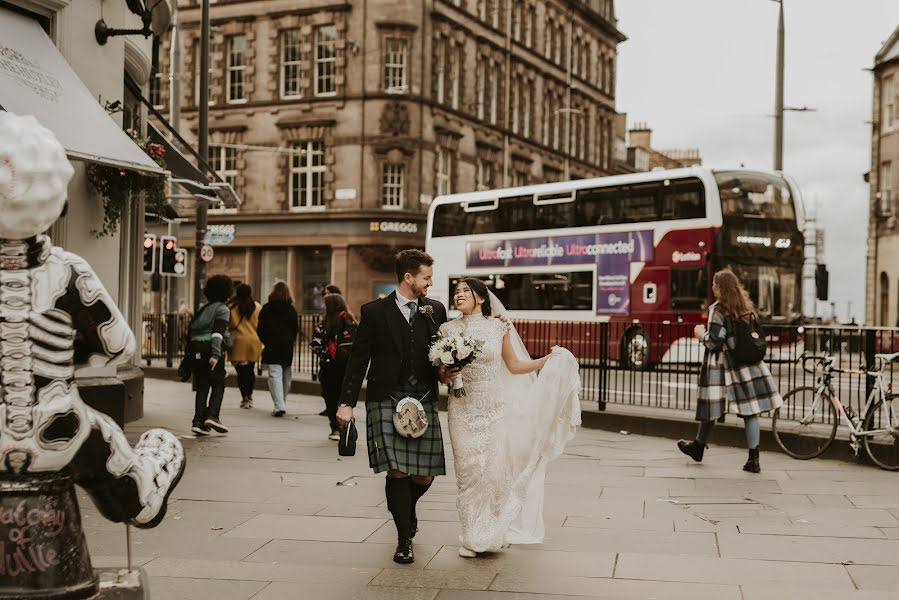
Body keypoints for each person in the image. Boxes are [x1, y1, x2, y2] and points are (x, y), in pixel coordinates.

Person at [440, 279, 581, 558]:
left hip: (495, 409)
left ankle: (492, 531)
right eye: (456, 292)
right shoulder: (447, 329)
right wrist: (445, 375)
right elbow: (442, 372)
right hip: (463, 409)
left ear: (481, 297)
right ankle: (471, 536)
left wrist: (545, 362)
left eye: (465, 291)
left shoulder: (498, 327)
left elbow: (514, 365)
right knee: (468, 474)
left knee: (494, 473)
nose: (459, 295)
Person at [336, 250, 449, 565]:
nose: (430, 283)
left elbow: (442, 353)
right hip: (385, 396)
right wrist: (345, 403)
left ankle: (407, 510)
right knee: (397, 470)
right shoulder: (374, 312)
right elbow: (358, 360)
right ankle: (404, 538)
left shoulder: (435, 310)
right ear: (409, 277)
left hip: (423, 397)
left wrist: (448, 369)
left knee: (425, 475)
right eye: (426, 278)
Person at [677, 269, 784, 473]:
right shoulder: (744, 307)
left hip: (723, 365)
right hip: (747, 365)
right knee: (750, 410)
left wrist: (701, 334)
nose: (712, 287)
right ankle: (753, 459)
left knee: (711, 404)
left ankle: (698, 446)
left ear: (720, 288)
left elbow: (714, 342)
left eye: (714, 284)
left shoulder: (718, 310)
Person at [188, 274, 233, 435]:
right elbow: (217, 334)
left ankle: (198, 421)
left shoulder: (203, 308)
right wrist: (215, 354)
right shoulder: (222, 309)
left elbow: (192, 330)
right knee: (218, 383)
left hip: (196, 349)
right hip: (210, 349)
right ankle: (213, 416)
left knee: (202, 386)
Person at [311, 294, 356, 439]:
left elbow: (316, 344)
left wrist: (325, 355)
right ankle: (346, 424)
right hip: (347, 367)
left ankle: (335, 428)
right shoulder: (351, 322)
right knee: (345, 398)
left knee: (330, 397)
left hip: (329, 367)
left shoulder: (323, 325)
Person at [257, 281, 299, 417]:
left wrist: (266, 340)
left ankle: (279, 405)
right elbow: (295, 329)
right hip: (286, 345)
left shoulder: (267, 308)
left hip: (272, 344)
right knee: (286, 376)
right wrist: (290, 339)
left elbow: (260, 329)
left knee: (275, 374)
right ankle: (282, 402)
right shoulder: (291, 309)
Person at [228, 283, 263, 409]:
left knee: (241, 373)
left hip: (239, 342)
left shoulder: (231, 307)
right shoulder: (257, 306)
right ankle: (250, 395)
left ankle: (245, 397)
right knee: (250, 370)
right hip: (254, 342)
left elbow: (230, 325)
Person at [316, 284, 343, 416]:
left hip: (338, 360)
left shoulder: (344, 319)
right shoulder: (325, 320)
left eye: (328, 294)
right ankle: (332, 408)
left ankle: (335, 412)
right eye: (324, 294)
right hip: (330, 360)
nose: (325, 297)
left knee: (334, 388)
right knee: (328, 388)